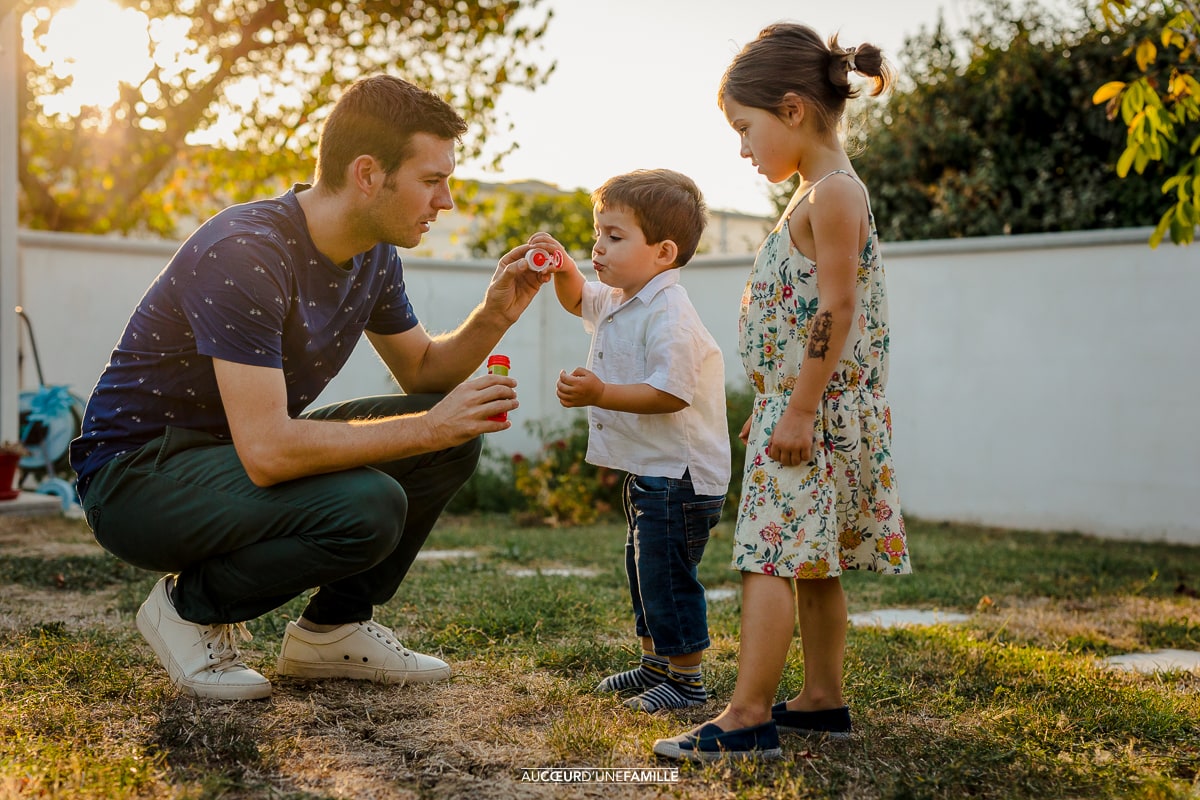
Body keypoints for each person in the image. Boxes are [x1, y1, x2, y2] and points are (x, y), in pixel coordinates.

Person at [69, 75, 550, 701]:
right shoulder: (246, 252)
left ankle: (333, 632)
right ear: (369, 174)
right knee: (372, 503)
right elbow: (269, 453)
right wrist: (429, 425)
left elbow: (424, 374)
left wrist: (495, 314)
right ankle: (187, 610)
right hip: (138, 477)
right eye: (433, 181)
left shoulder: (374, 255)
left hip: (231, 458)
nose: (447, 201)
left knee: (446, 434)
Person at [653, 24, 912, 761]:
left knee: (768, 557)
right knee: (813, 559)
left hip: (814, 410)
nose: (742, 148)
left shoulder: (833, 193)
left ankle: (746, 717)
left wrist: (796, 408)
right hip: (808, 405)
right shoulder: (821, 190)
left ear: (793, 110)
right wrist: (775, 401)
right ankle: (822, 699)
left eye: (746, 128)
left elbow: (836, 309)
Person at [526, 169, 731, 713]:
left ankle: (687, 680)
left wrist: (600, 391)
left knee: (666, 577)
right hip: (652, 471)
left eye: (615, 237)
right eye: (598, 234)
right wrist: (563, 265)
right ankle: (654, 666)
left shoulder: (669, 313)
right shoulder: (622, 297)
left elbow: (671, 393)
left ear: (663, 252)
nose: (599, 247)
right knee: (643, 570)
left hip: (681, 477)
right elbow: (577, 300)